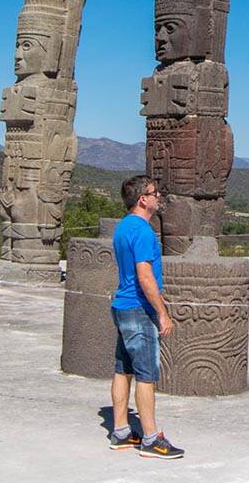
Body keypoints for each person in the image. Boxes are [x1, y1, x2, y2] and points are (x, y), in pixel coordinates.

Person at [107, 174, 183, 460]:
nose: (158, 197)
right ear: (142, 199)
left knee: (122, 370)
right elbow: (144, 275)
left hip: (122, 305)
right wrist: (162, 313)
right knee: (146, 375)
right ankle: (151, 439)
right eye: (155, 193)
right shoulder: (142, 231)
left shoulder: (122, 227)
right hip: (139, 308)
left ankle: (121, 431)